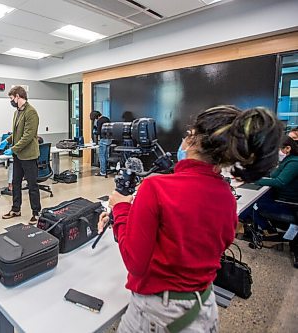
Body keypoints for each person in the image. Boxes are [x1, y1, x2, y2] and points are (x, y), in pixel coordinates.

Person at [98, 106, 281, 332]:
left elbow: (135, 262)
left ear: (194, 139)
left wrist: (122, 208)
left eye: (188, 132)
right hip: (203, 305)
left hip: (158, 314)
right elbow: (211, 241)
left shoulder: (155, 188)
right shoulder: (226, 195)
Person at [243, 136, 298, 266]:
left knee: (253, 205)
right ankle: (270, 232)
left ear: (287, 148)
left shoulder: (294, 162)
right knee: (256, 201)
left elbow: (280, 182)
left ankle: (271, 233)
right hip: (282, 197)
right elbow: (273, 176)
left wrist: (252, 180)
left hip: (290, 203)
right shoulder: (287, 160)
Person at [1, 86, 41, 224]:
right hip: (18, 155)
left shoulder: (31, 112)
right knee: (15, 182)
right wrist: (6, 141)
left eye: (12, 98)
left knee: (32, 185)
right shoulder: (17, 112)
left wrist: (13, 148)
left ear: (18, 96)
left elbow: (28, 136)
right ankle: (15, 209)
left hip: (29, 155)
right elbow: (16, 133)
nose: (11, 101)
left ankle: (36, 212)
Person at [90, 111, 111, 176]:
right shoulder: (107, 119)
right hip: (109, 139)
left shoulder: (99, 121)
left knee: (102, 156)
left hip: (103, 140)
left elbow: (99, 132)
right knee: (106, 155)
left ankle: (103, 172)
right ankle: (107, 169)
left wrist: (95, 131)